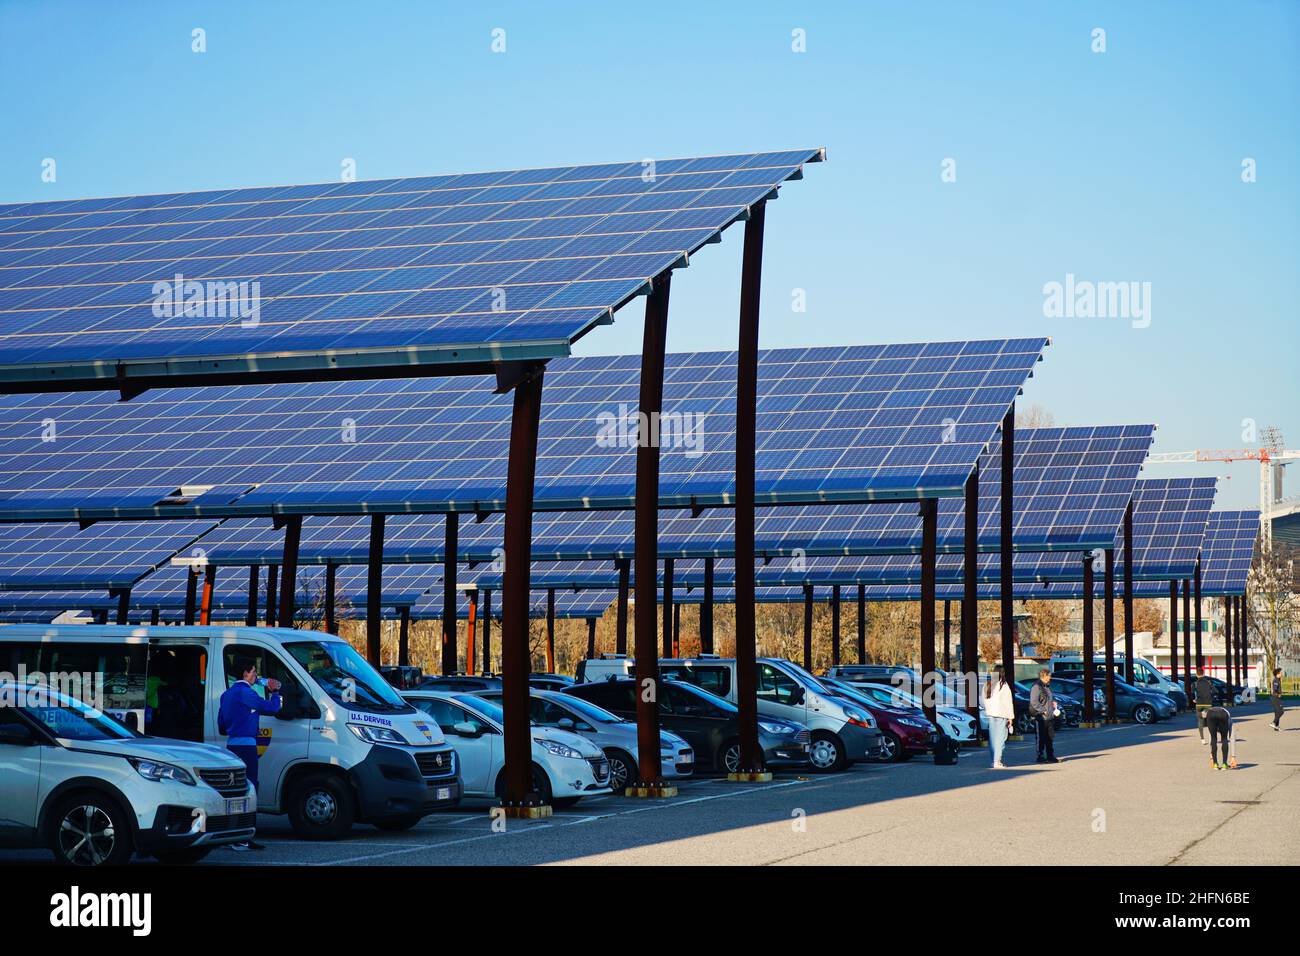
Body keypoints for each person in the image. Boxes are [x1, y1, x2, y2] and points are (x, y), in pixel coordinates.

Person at [218, 657, 282, 850]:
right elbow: (273, 708)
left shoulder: (226, 694)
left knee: (235, 789)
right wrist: (275, 691)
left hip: (232, 744)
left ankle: (232, 834)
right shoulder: (246, 693)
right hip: (247, 745)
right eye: (254, 671)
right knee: (250, 788)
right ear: (245, 673)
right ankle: (243, 836)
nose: (256, 675)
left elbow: (221, 724)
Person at [983, 665, 1015, 769]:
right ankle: (997, 761)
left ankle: (993, 760)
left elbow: (983, 699)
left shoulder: (987, 684)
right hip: (1002, 714)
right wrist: (1010, 717)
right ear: (1002, 673)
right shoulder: (1004, 685)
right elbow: (1008, 702)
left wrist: (988, 710)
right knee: (1001, 739)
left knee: (992, 739)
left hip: (991, 714)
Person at [1028, 668, 1059, 764]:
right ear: (1044, 676)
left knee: (1050, 737)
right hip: (1041, 716)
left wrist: (1053, 703)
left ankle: (1050, 755)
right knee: (1041, 737)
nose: (1050, 677)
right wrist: (1043, 710)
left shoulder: (1047, 686)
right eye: (1049, 675)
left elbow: (1048, 699)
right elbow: (1034, 701)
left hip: (1050, 716)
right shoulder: (1036, 686)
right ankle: (1040, 755)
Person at [1205, 705, 1233, 769]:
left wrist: (1211, 756)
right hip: (1223, 715)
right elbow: (1232, 736)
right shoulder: (1227, 713)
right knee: (1224, 738)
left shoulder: (1209, 711)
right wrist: (1233, 756)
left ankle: (1215, 764)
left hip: (1210, 714)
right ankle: (1224, 764)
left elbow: (1210, 739)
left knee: (1213, 738)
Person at [1194, 670, 1214, 745]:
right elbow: (1216, 691)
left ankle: (1202, 739)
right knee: (1210, 721)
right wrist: (1209, 693)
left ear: (1196, 675)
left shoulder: (1195, 683)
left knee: (1200, 721)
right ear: (1204, 674)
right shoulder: (1208, 682)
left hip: (1199, 704)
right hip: (1208, 704)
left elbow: (1193, 693)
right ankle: (1212, 738)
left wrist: (1195, 699)